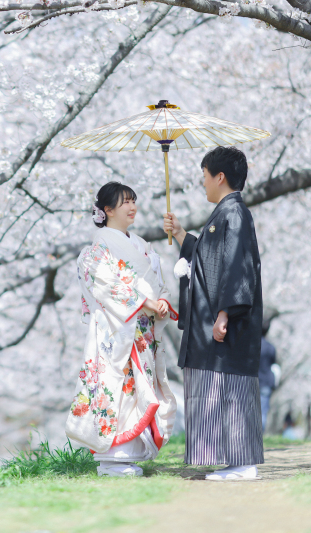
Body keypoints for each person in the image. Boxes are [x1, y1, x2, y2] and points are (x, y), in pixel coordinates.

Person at [163, 146, 264, 481]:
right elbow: (211, 260)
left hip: (223, 323)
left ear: (219, 176)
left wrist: (224, 313)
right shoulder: (226, 212)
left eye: (204, 176)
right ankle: (232, 461)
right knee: (216, 386)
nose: (202, 183)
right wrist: (180, 235)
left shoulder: (233, 213)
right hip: (215, 320)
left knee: (230, 387)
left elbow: (236, 267)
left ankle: (242, 464)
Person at [66, 182, 178, 477]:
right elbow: (106, 286)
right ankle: (111, 458)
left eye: (133, 201)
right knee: (117, 387)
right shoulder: (95, 251)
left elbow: (158, 282)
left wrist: (162, 300)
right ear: (108, 210)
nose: (132, 207)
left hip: (142, 331)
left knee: (140, 389)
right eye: (125, 202)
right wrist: (145, 302)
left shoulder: (143, 246)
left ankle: (128, 455)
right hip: (117, 330)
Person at [258, 313, 277, 431]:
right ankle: (260, 437)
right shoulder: (271, 347)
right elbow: (273, 364)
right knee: (263, 412)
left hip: (252, 380)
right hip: (266, 382)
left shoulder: (251, 345)